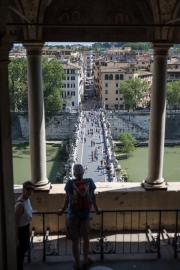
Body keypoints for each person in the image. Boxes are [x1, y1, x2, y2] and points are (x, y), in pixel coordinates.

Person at [57, 164, 101, 270]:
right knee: (86, 239)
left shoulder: (69, 183)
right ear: (83, 172)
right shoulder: (89, 181)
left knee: (75, 242)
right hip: (86, 215)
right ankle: (85, 262)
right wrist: (96, 209)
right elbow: (93, 197)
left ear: (74, 173)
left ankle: (77, 264)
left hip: (72, 216)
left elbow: (67, 197)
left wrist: (63, 209)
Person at [15, 181, 35, 270]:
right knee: (20, 253)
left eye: (32, 189)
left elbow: (27, 210)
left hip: (26, 228)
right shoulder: (20, 204)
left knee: (24, 249)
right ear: (23, 190)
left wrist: (32, 212)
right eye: (28, 189)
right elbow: (15, 222)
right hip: (20, 231)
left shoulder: (28, 199)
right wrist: (15, 238)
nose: (30, 191)